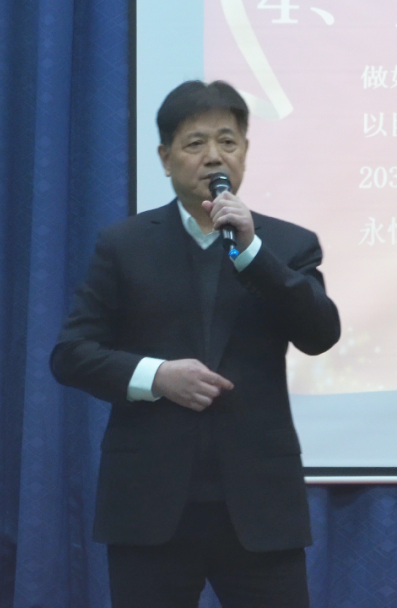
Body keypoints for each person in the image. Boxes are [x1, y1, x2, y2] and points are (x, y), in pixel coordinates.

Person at [51, 80, 341, 607]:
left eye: (227, 142)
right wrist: (157, 377)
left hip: (259, 507)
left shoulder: (286, 244)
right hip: (150, 505)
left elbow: (320, 335)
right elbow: (71, 354)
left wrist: (252, 252)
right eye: (195, 143)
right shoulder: (124, 245)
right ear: (165, 158)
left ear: (245, 151)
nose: (213, 156)